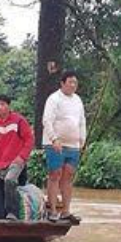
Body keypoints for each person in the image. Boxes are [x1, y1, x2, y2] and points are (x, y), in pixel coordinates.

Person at [43, 70, 86, 223]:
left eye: (75, 82)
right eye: (70, 82)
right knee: (55, 175)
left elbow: (81, 121)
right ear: (62, 83)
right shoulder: (54, 99)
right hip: (55, 144)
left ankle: (66, 211)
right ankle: (52, 210)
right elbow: (47, 120)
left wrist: (82, 140)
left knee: (68, 176)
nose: (73, 85)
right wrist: (54, 139)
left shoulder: (78, 100)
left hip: (73, 145)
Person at [0, 94, 34, 220]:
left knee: (9, 180)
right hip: (2, 163)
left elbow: (29, 140)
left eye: (3, 104)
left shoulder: (19, 121)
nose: (0, 107)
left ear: (9, 106)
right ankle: (1, 212)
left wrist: (22, 157)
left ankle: (12, 213)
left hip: (16, 160)